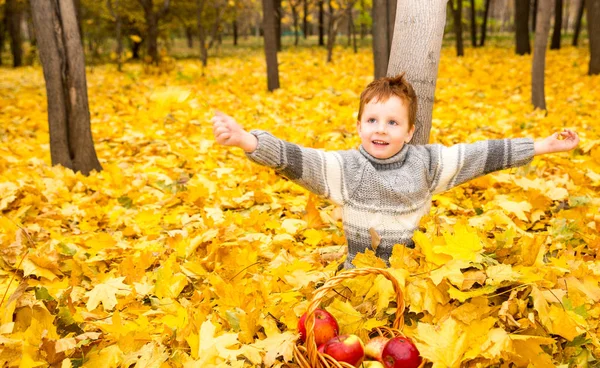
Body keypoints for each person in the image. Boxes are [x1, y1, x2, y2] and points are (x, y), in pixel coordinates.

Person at [211, 73, 579, 269]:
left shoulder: (427, 164)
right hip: (360, 272)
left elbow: (481, 154)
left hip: (412, 270)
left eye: (392, 122)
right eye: (372, 120)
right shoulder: (348, 167)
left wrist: (542, 145)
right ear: (358, 127)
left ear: (409, 132)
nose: (380, 129)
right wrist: (247, 140)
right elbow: (297, 159)